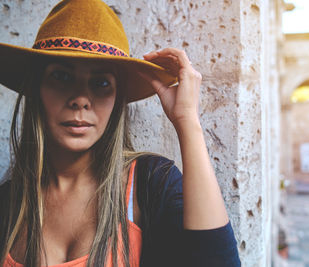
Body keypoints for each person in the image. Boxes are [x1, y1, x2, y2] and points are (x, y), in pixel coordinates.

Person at [0, 0, 240, 266]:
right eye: (62, 77)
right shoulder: (9, 203)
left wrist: (187, 121)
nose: (80, 99)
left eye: (101, 83)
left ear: (117, 99)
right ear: (36, 88)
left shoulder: (149, 185)